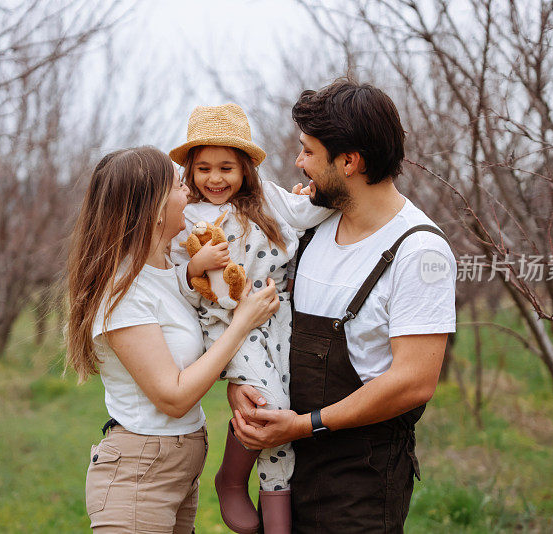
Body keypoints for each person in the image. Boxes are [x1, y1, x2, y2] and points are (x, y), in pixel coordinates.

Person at [228, 78, 457, 533]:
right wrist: (241, 388)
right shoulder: (309, 228)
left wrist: (301, 425)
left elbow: (413, 381)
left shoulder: (419, 252)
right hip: (288, 469)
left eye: (309, 152)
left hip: (360, 484)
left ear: (349, 161)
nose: (299, 163)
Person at [66, 146, 280, 533]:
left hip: (176, 469)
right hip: (139, 474)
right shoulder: (123, 292)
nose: (190, 194)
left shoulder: (167, 270)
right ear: (154, 207)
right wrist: (242, 324)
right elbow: (173, 397)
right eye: (181, 186)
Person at [169, 104, 334, 534]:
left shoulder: (270, 200)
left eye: (226, 167)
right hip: (228, 328)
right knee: (269, 406)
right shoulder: (183, 214)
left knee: (284, 415)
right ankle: (231, 480)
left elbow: (313, 213)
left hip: (278, 320)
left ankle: (276, 520)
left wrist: (314, 193)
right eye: (203, 168)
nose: (215, 179)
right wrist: (194, 267)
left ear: (245, 168)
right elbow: (171, 281)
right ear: (190, 169)